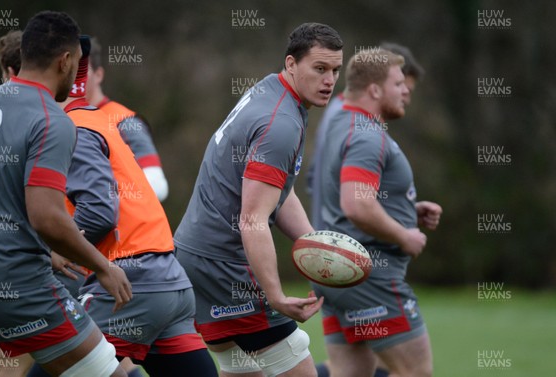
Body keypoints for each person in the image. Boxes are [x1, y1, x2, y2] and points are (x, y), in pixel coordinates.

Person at [0, 10, 132, 377]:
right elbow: (47, 217)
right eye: (78, 66)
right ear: (65, 61)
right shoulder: (52, 119)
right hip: (16, 284)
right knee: (115, 374)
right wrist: (103, 267)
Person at [33, 35, 216, 377]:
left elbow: (100, 212)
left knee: (54, 366)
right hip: (170, 282)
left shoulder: (70, 127)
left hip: (130, 280)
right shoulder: (100, 120)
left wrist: (58, 247)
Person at [174, 22, 343, 376]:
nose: (330, 80)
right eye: (320, 69)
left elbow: (279, 191)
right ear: (291, 64)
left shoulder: (272, 91)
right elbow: (252, 218)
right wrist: (277, 296)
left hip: (196, 256)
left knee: (243, 371)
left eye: (335, 71)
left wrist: (315, 244)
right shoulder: (280, 124)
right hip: (224, 264)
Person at [311, 48, 441, 377]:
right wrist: (404, 234)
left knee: (349, 374)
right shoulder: (368, 135)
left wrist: (407, 209)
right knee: (415, 371)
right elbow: (357, 204)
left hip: (336, 274)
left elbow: (346, 193)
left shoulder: (340, 122)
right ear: (374, 90)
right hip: (371, 276)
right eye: (399, 83)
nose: (406, 90)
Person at [0, 29, 89, 377]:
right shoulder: (55, 118)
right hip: (33, 264)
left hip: (38, 265)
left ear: (15, 72)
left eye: (4, 73)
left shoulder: (40, 121)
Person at [85, 37, 169, 201]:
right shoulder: (63, 121)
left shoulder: (125, 123)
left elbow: (158, 186)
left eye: (81, 71)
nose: (75, 79)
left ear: (98, 75)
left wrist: (96, 199)